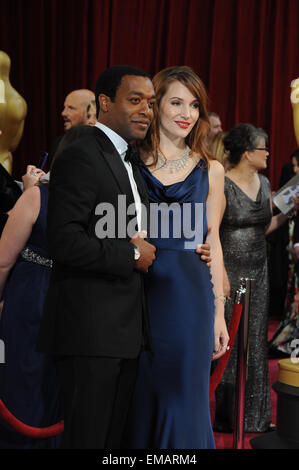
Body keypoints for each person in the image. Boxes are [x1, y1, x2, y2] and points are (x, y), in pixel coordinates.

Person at [36, 65, 158, 450]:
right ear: (105, 103)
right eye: (135, 100)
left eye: (151, 103)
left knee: (111, 441)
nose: (146, 111)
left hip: (122, 332)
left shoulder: (128, 158)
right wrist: (133, 252)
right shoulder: (81, 152)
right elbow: (64, 241)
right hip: (89, 331)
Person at [124, 66, 229, 449]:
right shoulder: (128, 162)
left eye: (195, 105)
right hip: (132, 295)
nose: (187, 113)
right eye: (176, 102)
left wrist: (218, 312)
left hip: (188, 301)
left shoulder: (211, 171)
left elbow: (213, 242)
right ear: (155, 107)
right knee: (136, 400)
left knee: (183, 400)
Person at [214, 123, 291, 433]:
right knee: (231, 345)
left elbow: (264, 226)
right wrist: (219, 276)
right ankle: (229, 416)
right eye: (263, 148)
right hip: (230, 273)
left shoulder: (263, 181)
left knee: (257, 342)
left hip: (259, 270)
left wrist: (288, 213)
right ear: (247, 153)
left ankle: (255, 418)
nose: (268, 153)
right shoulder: (222, 184)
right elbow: (212, 232)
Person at [0, 153, 62, 448]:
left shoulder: (38, 196)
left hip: (30, 294)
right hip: (74, 299)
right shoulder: (103, 199)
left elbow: (2, 262)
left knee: (23, 374)